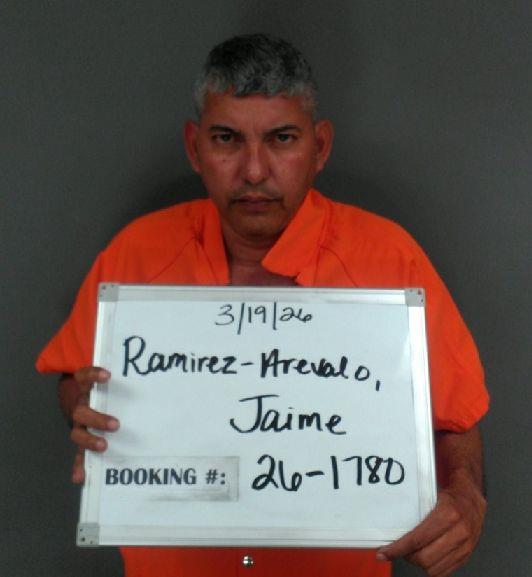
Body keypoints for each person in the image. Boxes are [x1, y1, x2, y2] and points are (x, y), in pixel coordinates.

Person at [37, 34, 488, 577]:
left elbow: (455, 418)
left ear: (320, 147)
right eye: (227, 139)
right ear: (195, 148)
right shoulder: (137, 252)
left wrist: (466, 495)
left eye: (282, 139)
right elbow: (73, 376)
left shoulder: (390, 259)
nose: (254, 171)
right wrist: (86, 403)